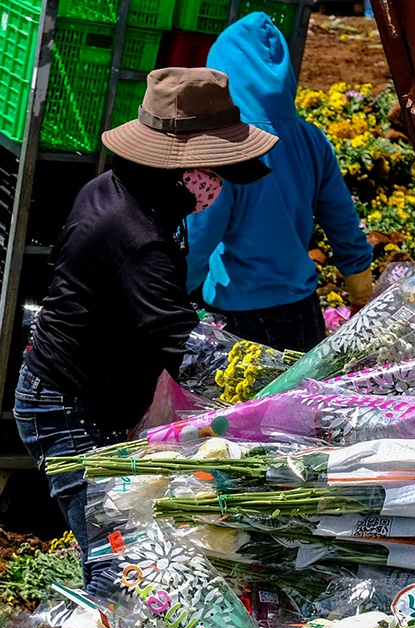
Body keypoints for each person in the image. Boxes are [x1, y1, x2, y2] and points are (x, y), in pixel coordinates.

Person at [17, 67, 277, 596]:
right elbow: (185, 348)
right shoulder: (140, 239)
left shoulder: (110, 190)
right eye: (211, 167)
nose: (217, 182)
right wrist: (276, 386)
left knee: (124, 543)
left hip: (72, 391)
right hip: (70, 410)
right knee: (119, 560)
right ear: (179, 166)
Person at [186, 12, 374, 352]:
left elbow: (199, 238)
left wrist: (169, 295)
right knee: (302, 403)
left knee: (249, 405)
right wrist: (360, 287)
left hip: (242, 318)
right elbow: (343, 220)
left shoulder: (225, 146)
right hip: (304, 309)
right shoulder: (311, 139)